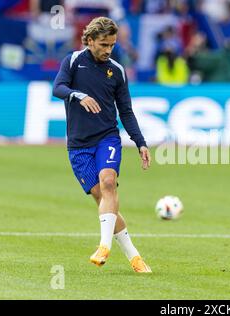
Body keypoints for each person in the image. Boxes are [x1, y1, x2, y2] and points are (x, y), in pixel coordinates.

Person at [52, 17, 152, 273]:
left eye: (112, 45)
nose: (108, 50)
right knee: (102, 199)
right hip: (78, 145)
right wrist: (79, 95)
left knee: (109, 183)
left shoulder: (117, 70)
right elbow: (58, 88)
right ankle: (135, 257)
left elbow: (126, 111)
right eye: (104, 44)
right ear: (90, 40)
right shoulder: (73, 61)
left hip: (107, 137)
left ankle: (103, 246)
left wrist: (140, 142)